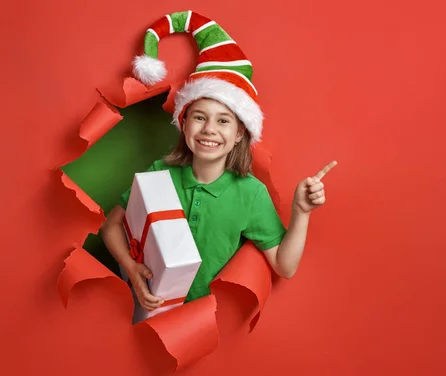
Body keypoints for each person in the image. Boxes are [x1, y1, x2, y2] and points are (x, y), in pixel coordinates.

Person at [100, 10, 336, 312]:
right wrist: (131, 271)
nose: (209, 129)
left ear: (240, 133)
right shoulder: (161, 173)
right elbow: (111, 226)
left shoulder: (250, 194)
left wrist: (302, 212)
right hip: (139, 306)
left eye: (223, 121)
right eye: (199, 117)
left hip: (199, 324)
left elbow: (284, 267)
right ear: (184, 125)